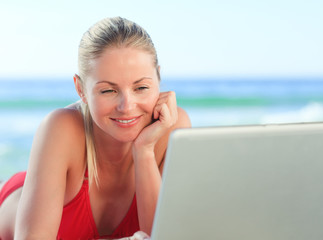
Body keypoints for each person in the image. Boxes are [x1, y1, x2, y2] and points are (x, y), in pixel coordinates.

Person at [0, 17, 191, 239]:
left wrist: (144, 150)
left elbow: (162, 236)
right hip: (20, 199)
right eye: (108, 91)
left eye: (141, 87)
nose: (126, 106)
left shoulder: (173, 130)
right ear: (81, 89)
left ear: (158, 78)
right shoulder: (61, 128)